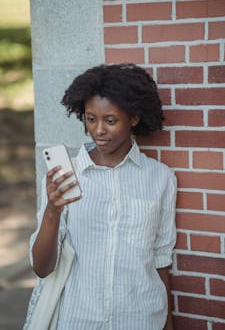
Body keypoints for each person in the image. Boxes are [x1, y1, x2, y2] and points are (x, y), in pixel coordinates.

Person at [29, 64, 177, 329]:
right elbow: (42, 268)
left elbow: (160, 261)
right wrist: (53, 211)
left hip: (141, 319)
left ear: (133, 118)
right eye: (90, 118)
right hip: (79, 319)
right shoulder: (64, 178)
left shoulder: (160, 178)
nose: (98, 130)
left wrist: (168, 325)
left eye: (110, 120)